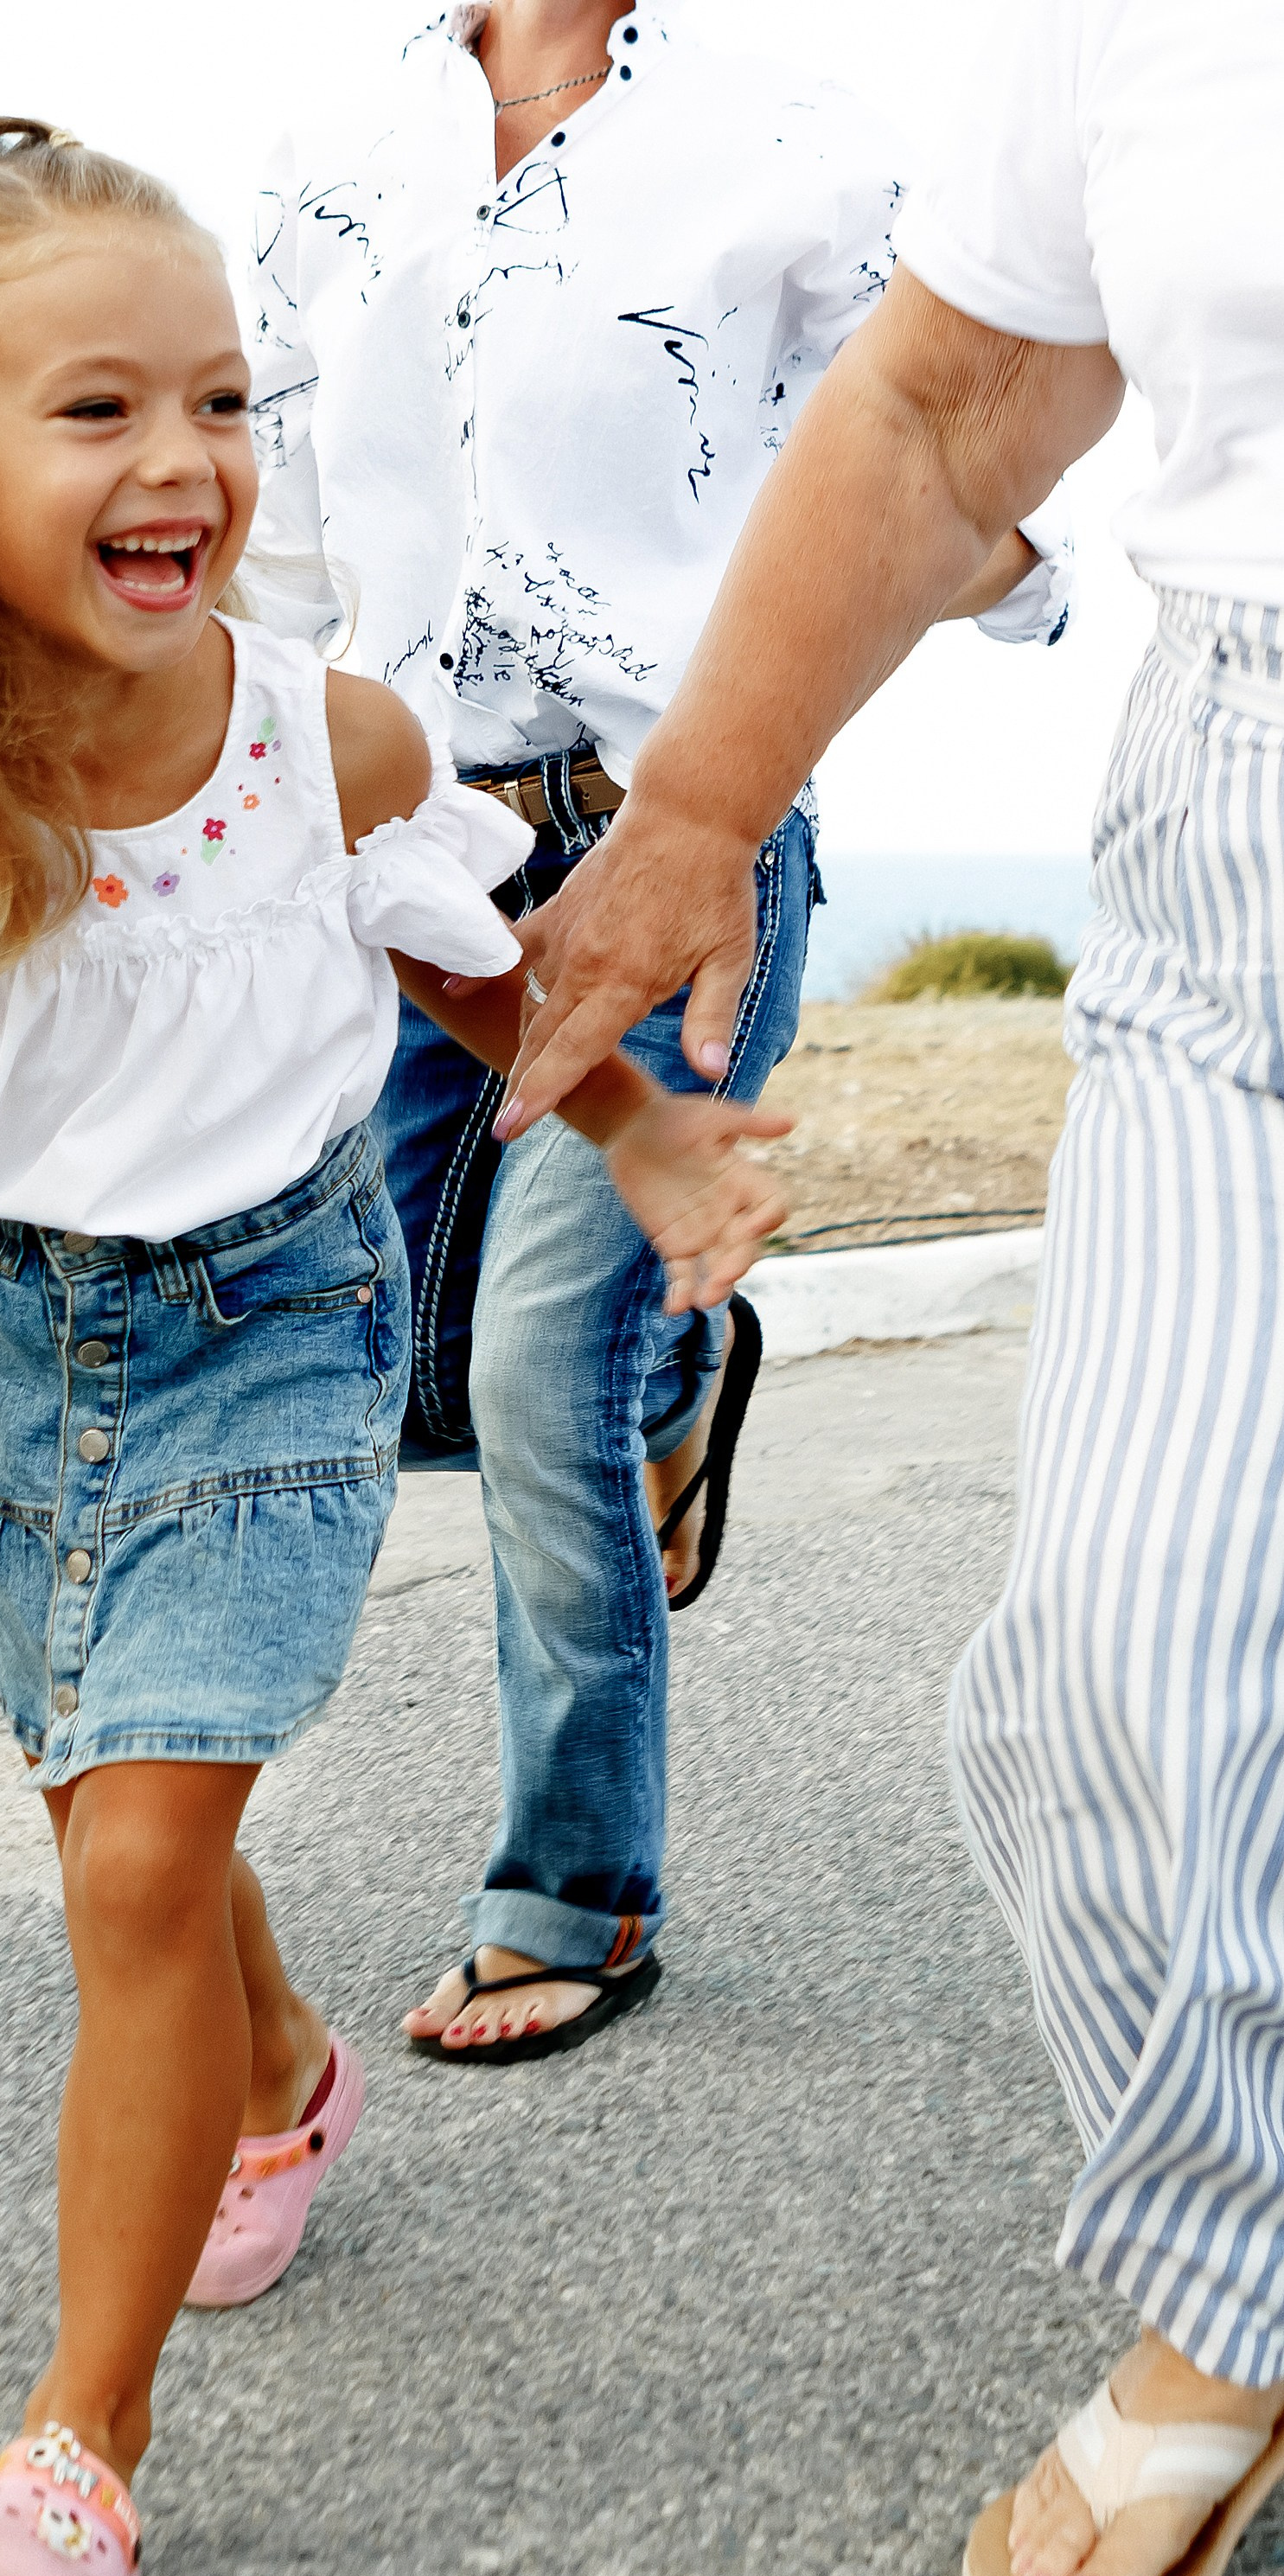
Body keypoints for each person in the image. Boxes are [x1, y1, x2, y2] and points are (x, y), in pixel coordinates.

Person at [0, 120, 790, 2576]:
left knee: (135, 1868)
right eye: (93, 413)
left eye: (215, 401)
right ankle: (275, 2082)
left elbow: (463, 977)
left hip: (278, 1327)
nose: (179, 461)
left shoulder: (330, 739)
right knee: (126, 1845)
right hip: (24, 1361)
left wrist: (638, 1142)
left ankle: (76, 2454)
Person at [493, 0, 1284, 2576]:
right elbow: (943, 413)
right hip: (1241, 838)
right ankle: (1246, 2252)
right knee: (1117, 1660)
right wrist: (695, 810)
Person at [246, 0, 1073, 2064]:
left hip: (671, 839)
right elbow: (266, 529)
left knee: (537, 1366)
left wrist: (998, 547)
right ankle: (682, 1358)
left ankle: (573, 1893)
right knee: (409, 1350)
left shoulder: (786, 133)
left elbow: (944, 443)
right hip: (414, 853)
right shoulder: (333, 150)